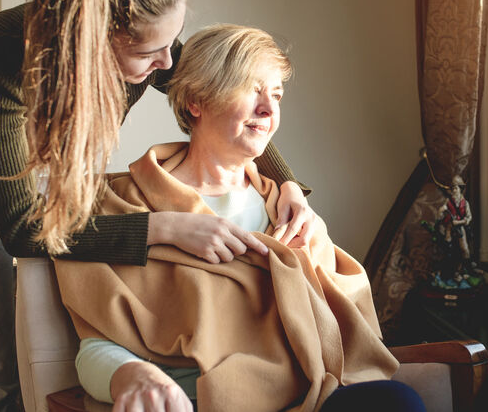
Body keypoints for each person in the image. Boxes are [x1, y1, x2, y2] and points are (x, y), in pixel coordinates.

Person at [0, 0, 316, 410]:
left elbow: (217, 94)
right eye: (148, 54)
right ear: (91, 43)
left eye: (171, 42)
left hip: (60, 168)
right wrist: (162, 228)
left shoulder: (151, 39)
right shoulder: (2, 52)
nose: (167, 64)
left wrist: (286, 180)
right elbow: (24, 230)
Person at [55, 24, 425, 412]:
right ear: (196, 101)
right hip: (198, 401)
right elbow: (97, 346)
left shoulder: (287, 211)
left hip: (308, 396)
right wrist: (132, 375)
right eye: (251, 89)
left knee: (397, 401)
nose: (268, 109)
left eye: (276, 94)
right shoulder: (126, 206)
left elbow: (342, 328)